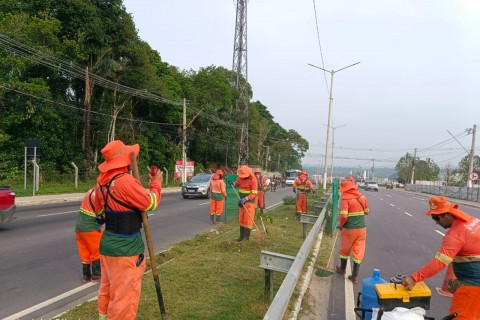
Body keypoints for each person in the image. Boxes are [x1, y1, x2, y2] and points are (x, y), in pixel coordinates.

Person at [93, 140, 163, 320]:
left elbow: (100, 211)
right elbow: (150, 202)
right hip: (125, 250)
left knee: (107, 290)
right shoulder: (125, 181)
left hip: (108, 245)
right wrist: (156, 184)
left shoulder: (102, 182)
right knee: (125, 298)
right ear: (125, 161)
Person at [402, 196, 480, 319]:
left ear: (448, 214)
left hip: (473, 287)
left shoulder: (455, 235)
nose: (437, 222)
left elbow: (439, 262)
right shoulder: (473, 221)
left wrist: (414, 278)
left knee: (462, 317)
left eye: (436, 218)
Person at [335, 177, 369, 284]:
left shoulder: (345, 198)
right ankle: (354, 276)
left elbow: (344, 216)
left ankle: (342, 269)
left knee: (345, 250)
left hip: (349, 229)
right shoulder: (362, 197)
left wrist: (341, 225)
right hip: (362, 229)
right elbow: (367, 212)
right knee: (358, 252)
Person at [75, 187, 103, 283]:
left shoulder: (91, 191)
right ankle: (96, 276)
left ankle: (86, 277)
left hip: (79, 228)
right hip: (90, 228)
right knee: (97, 251)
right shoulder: (100, 195)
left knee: (84, 253)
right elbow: (101, 214)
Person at [231, 165, 258, 241]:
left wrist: (245, 199)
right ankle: (241, 236)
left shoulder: (253, 180)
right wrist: (233, 183)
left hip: (249, 202)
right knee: (241, 218)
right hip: (241, 201)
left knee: (248, 219)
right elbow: (238, 183)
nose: (243, 177)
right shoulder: (241, 177)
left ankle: (246, 238)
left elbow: (254, 193)